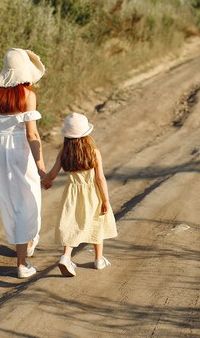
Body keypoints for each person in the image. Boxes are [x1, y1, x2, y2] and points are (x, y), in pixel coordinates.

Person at [0, 48, 46, 279]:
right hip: (20, 150)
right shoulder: (27, 95)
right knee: (28, 199)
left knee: (9, 199)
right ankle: (22, 262)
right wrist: (41, 166)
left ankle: (26, 243)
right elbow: (32, 135)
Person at [42, 112, 117, 277]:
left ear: (67, 135)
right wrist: (105, 200)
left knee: (71, 224)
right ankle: (98, 259)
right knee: (97, 223)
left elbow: (53, 173)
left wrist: (46, 181)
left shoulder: (65, 152)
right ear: (86, 133)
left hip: (72, 193)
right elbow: (100, 178)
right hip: (93, 194)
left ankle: (66, 256)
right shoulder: (93, 151)